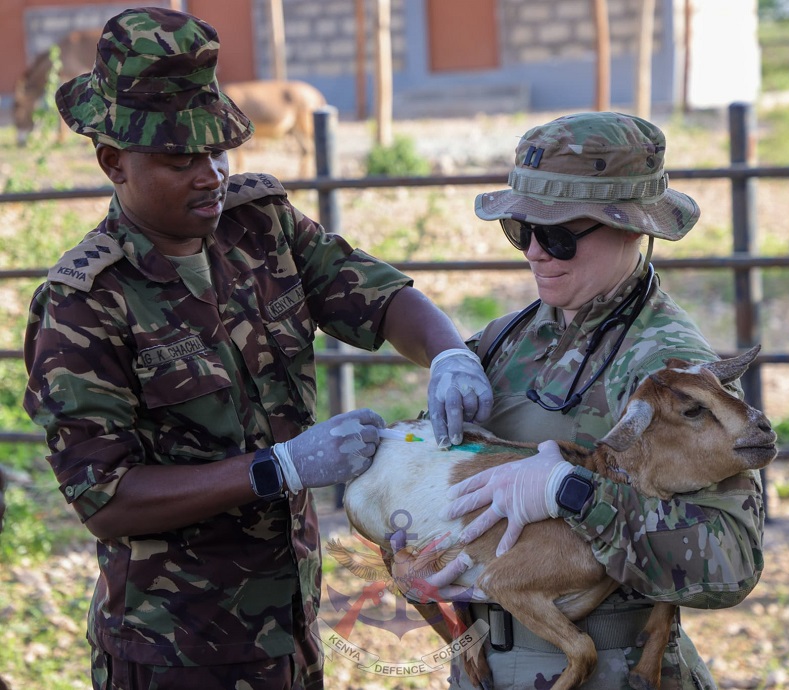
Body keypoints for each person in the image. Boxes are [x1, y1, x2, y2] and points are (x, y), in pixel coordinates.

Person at [21, 8, 492, 690]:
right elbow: (107, 497)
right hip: (174, 647)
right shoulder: (82, 304)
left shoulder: (259, 225)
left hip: (291, 622)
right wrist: (277, 468)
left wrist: (449, 354)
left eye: (217, 151)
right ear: (114, 162)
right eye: (181, 159)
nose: (210, 174)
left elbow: (378, 296)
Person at [394, 111, 766, 689]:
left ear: (632, 228)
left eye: (559, 234)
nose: (535, 253)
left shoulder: (669, 371)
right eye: (522, 230)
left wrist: (571, 492)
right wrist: (411, 550)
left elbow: (730, 563)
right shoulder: (504, 339)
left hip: (611, 671)